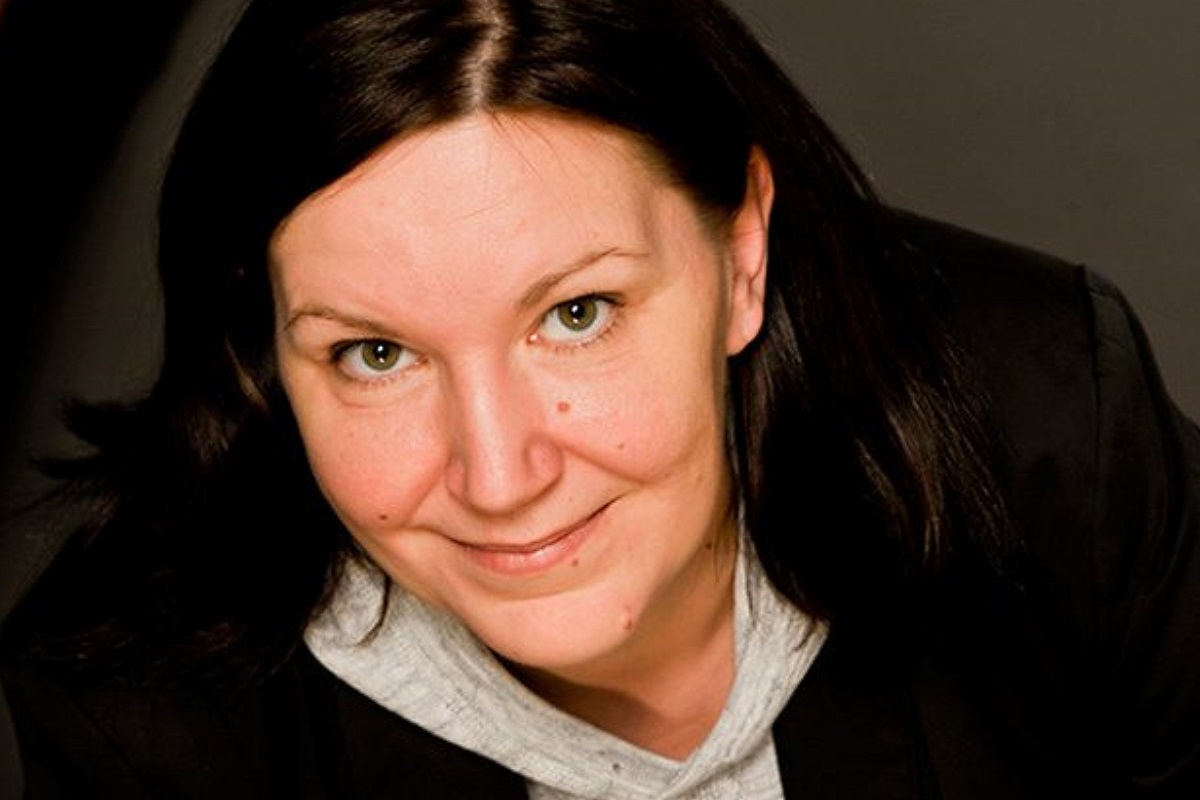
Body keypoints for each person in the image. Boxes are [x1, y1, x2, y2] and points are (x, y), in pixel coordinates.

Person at [2, 0, 1197, 796]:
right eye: (375, 353)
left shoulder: (1058, 427)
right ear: (263, 343)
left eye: (577, 313)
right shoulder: (141, 730)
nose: (499, 475)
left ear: (742, 255)